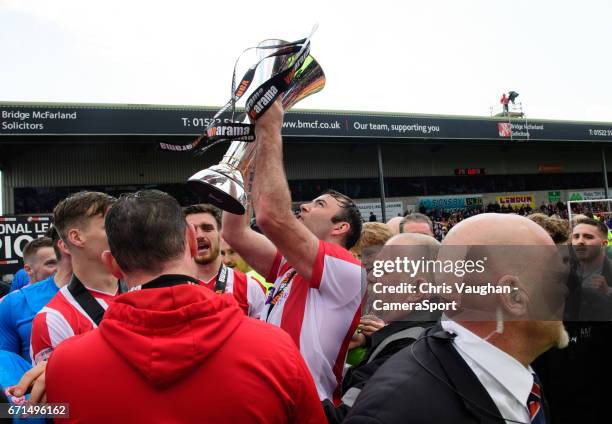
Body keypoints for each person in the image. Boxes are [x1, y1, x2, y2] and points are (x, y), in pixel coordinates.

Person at [45, 190, 325, 423]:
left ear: (112, 264)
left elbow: (24, 411)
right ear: (191, 242)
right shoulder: (276, 350)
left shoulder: (64, 366)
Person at [345, 214, 567, 423]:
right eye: (554, 276)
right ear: (513, 296)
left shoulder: (519, 375)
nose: (567, 290)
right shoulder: (396, 409)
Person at [222, 100, 364, 402]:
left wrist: (270, 129)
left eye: (319, 205)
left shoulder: (347, 269)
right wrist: (243, 159)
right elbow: (234, 232)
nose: (305, 205)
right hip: (266, 400)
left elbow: (271, 216)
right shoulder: (291, 265)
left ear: (340, 228)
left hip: (308, 407)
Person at [325, 233, 441, 423]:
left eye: (382, 270)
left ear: (416, 290)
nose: (370, 277)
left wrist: (291, 375)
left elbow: (343, 417)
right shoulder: (421, 332)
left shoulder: (411, 349)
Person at [30, 191, 117, 364]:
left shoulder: (147, 290)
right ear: (76, 237)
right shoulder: (53, 320)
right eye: (110, 227)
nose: (123, 233)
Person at [0, 227, 72, 361]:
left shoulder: (92, 292)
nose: (59, 268)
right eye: (51, 263)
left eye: (61, 261)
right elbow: (6, 362)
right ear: (28, 269)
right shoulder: (12, 302)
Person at [183, 204, 267, 318]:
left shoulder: (249, 286)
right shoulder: (172, 287)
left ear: (221, 235)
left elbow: (264, 333)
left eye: (207, 228)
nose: (199, 235)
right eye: (192, 230)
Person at [571, 218, 612, 295]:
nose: (580, 241)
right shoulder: (563, 269)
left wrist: (607, 291)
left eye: (588, 237)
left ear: (604, 244)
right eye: (576, 237)